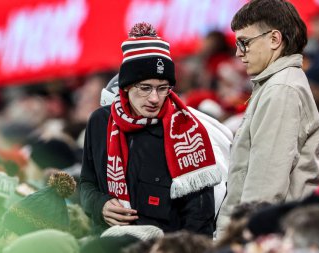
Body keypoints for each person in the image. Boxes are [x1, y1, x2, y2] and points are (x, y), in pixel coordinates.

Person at [80, 22, 222, 236]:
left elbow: (200, 218)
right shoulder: (100, 122)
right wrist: (99, 205)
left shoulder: (186, 131)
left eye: (163, 88)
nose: (154, 98)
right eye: (145, 88)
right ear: (126, 87)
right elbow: (87, 183)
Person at [216, 0, 319, 237]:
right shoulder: (277, 85)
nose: (238, 52)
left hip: (267, 237)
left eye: (244, 42)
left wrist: (237, 240)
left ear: (275, 39)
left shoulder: (281, 90)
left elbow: (264, 189)